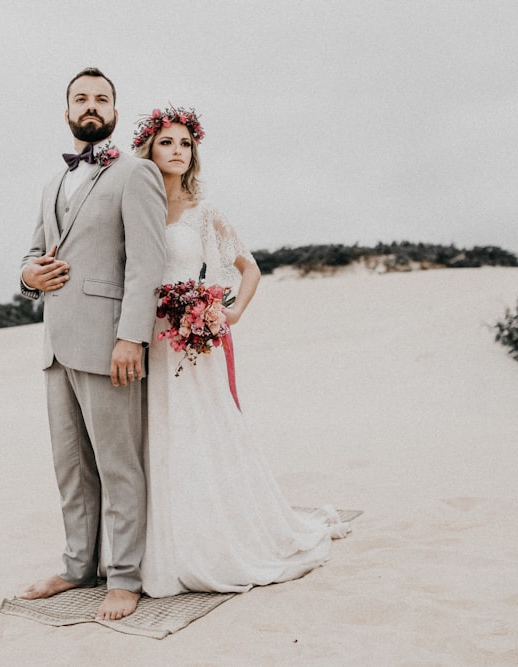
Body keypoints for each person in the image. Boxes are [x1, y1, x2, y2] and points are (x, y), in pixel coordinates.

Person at [132, 106, 350, 598]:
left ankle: (214, 541)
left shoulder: (205, 213)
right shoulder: (137, 208)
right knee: (155, 435)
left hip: (192, 343)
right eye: (167, 142)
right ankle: (157, 545)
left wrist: (227, 313)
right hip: (149, 340)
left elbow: (249, 270)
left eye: (185, 144)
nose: (177, 151)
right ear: (149, 148)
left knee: (201, 431)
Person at [17, 69, 167, 620]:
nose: (91, 105)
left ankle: (124, 576)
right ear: (67, 112)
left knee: (118, 463)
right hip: (56, 345)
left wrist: (132, 337)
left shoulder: (136, 173)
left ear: (114, 112)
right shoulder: (52, 184)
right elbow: (31, 255)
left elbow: (147, 264)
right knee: (71, 466)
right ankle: (78, 564)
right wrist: (30, 278)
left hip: (111, 344)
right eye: (81, 98)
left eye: (101, 98)